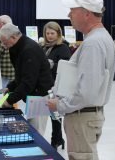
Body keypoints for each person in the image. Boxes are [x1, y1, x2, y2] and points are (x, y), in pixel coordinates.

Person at [47, 0, 115, 160]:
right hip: (86, 116)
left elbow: (87, 92)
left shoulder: (93, 43)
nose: (69, 14)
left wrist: (59, 105)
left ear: (86, 14)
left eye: (73, 10)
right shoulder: (101, 38)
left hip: (82, 116)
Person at [0, 23, 54, 135]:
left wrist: (9, 101)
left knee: (36, 133)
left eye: (5, 42)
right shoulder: (18, 47)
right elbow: (21, 74)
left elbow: (28, 81)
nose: (4, 45)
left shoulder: (29, 50)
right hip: (33, 96)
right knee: (31, 129)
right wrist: (9, 88)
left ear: (13, 37)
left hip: (40, 98)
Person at [41, 21, 71, 150]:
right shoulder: (44, 46)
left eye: (52, 33)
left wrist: (51, 65)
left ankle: (56, 139)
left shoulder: (63, 47)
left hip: (56, 86)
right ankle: (58, 139)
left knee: (55, 116)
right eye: (47, 33)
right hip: (43, 85)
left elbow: (66, 67)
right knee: (46, 114)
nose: (50, 36)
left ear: (58, 33)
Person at [0, 15, 15, 88]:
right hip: (13, 73)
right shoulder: (15, 33)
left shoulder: (2, 35)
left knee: (2, 97)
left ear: (2, 24)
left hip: (4, 74)